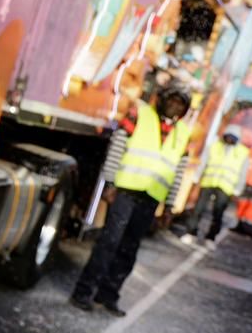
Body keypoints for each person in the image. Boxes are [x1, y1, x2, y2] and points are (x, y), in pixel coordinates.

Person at [70, 87, 191, 314]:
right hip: (126, 189)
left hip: (151, 197)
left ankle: (108, 295)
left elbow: (178, 171)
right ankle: (83, 292)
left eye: (180, 104)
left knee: (129, 248)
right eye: (172, 101)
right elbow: (117, 145)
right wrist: (110, 182)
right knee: (109, 241)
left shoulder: (183, 133)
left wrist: (170, 206)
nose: (175, 107)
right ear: (163, 99)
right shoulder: (140, 114)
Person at [184, 128, 247, 245]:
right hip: (209, 181)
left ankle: (211, 237)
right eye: (228, 137)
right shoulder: (215, 145)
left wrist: (238, 189)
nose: (229, 140)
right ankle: (191, 232)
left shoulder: (243, 152)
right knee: (198, 209)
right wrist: (197, 176)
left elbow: (243, 172)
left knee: (218, 214)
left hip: (225, 186)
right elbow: (204, 161)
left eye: (232, 138)